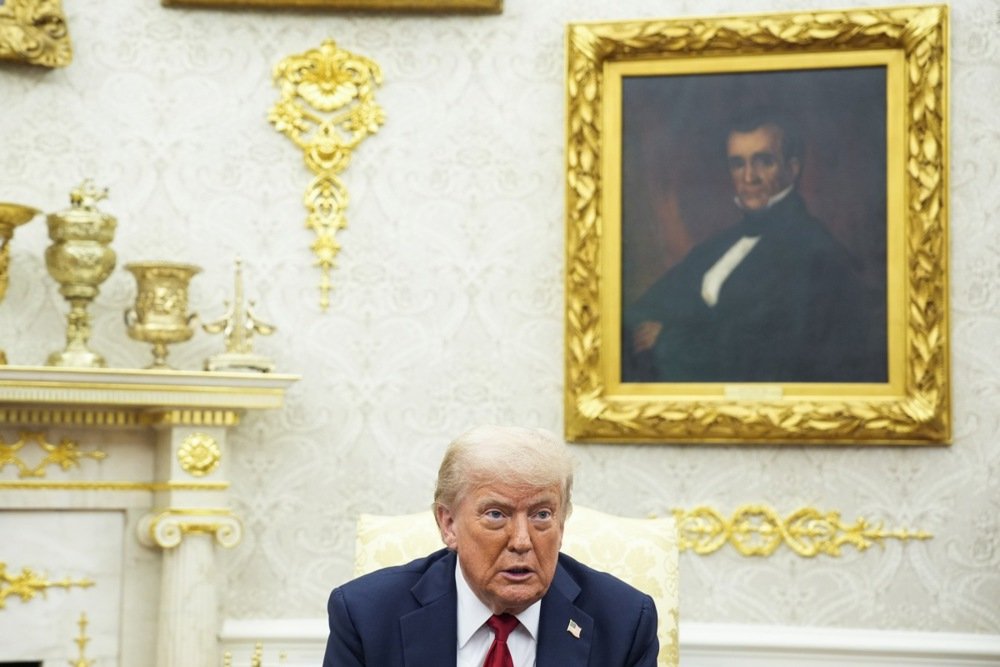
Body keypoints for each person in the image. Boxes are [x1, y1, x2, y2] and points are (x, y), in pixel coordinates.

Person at [322, 425, 659, 666]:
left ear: (562, 523)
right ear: (448, 524)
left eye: (542, 515)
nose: (522, 541)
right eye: (497, 515)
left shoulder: (624, 620)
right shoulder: (366, 615)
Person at [623, 110, 886, 383]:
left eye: (764, 162)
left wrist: (667, 338)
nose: (749, 178)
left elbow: (766, 356)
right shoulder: (717, 247)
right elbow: (643, 313)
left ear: (792, 169)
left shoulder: (816, 252)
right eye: (738, 164)